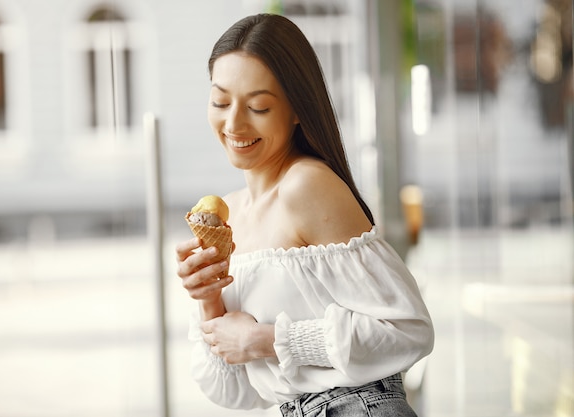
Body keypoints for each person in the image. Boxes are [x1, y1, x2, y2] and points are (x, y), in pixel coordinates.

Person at [175, 13, 434, 417]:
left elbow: (410, 330)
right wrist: (210, 300)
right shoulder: (233, 214)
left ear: (297, 109)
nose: (234, 123)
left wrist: (266, 340)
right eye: (220, 101)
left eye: (258, 106)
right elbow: (239, 393)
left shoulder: (306, 186)